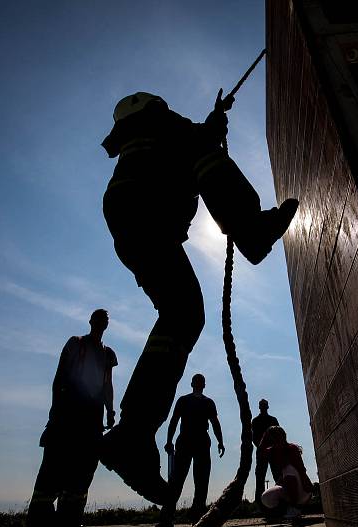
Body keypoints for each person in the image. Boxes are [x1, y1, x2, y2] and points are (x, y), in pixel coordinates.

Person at [99, 91, 298, 504]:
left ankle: (133, 436)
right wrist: (213, 126)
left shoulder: (144, 142)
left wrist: (215, 117)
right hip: (146, 210)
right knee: (205, 154)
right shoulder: (163, 130)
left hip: (133, 220)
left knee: (182, 314)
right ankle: (251, 229)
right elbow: (198, 139)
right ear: (152, 110)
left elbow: (194, 134)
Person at [27, 309, 117, 527]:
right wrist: (57, 409)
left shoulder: (108, 354)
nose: (101, 322)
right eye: (98, 318)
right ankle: (39, 519)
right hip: (68, 413)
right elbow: (60, 377)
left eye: (105, 320)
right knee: (54, 464)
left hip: (92, 417)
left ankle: (69, 520)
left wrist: (110, 410)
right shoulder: (76, 343)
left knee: (84, 467)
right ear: (91, 321)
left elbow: (107, 384)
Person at [156, 374, 224, 527]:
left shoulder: (195, 401)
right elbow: (213, 423)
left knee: (184, 481)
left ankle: (176, 518)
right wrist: (168, 440)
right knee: (190, 481)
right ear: (201, 385)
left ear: (193, 384)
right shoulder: (195, 401)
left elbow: (214, 423)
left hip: (192, 441)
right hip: (192, 441)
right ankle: (185, 518)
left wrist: (169, 440)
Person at [258, 426, 313, 520]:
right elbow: (261, 451)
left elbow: (301, 469)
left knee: (288, 468)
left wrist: (307, 486)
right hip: (287, 488)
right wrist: (265, 435)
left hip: (302, 489)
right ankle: (285, 510)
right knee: (266, 498)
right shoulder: (272, 451)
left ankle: (295, 508)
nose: (275, 439)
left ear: (283, 436)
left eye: (277, 436)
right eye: (272, 437)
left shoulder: (292, 448)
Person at [251, 399, 280, 507]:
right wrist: (262, 447)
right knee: (260, 478)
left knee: (277, 476)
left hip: (273, 452)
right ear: (260, 407)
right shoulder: (255, 421)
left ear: (267, 407)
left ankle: (279, 503)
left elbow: (279, 435)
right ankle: (261, 505)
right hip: (263, 452)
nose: (263, 407)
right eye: (262, 405)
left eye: (264, 405)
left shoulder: (272, 420)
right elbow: (254, 438)